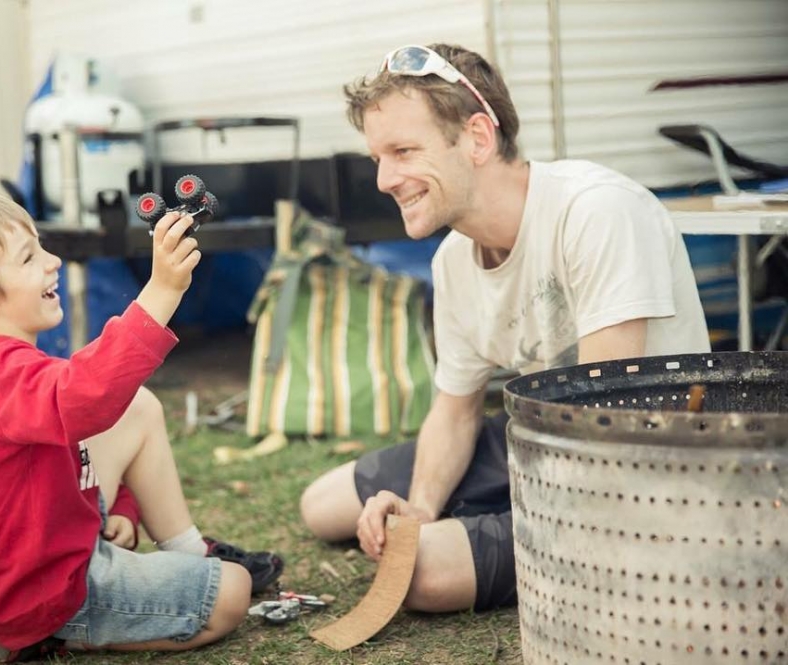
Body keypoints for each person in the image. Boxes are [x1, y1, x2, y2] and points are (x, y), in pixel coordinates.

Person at [299, 43, 710, 614]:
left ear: (477, 138)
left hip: (638, 461)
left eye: (403, 151)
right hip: (540, 434)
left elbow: (604, 418)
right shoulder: (452, 260)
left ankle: (508, 528)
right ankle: (475, 520)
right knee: (322, 506)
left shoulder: (596, 210)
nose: (385, 179)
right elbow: (456, 411)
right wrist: (422, 509)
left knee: (422, 573)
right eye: (377, 158)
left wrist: (465, 528)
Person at [0, 191, 282, 660]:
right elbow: (90, 398)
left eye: (41, 246)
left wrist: (122, 510)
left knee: (136, 407)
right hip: (48, 590)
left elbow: (80, 445)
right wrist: (162, 291)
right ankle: (66, 631)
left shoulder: (5, 364)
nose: (52, 261)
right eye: (29, 257)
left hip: (56, 532)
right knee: (231, 593)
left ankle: (191, 551)